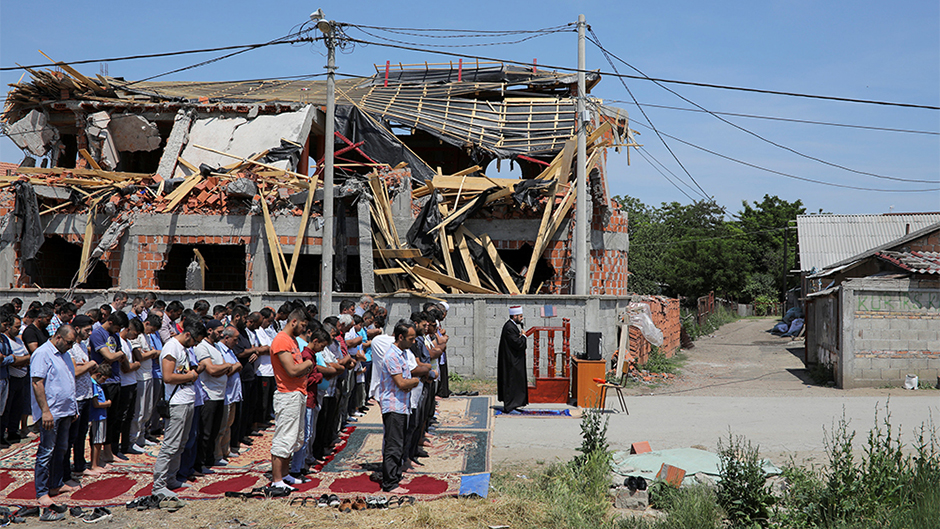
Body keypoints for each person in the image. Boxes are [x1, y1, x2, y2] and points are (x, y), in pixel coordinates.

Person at [152, 317, 205, 506]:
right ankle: (158, 485)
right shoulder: (171, 347)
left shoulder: (183, 348)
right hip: (177, 403)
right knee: (170, 445)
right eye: (196, 341)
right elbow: (167, 376)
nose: (196, 345)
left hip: (188, 400)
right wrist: (190, 376)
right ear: (188, 334)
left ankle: (171, 478)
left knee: (181, 444)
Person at [31, 325, 79, 508]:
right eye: (69, 342)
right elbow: (37, 383)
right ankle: (41, 491)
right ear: (58, 337)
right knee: (46, 452)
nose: (71, 346)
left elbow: (68, 380)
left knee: (62, 449)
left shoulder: (65, 353)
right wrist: (45, 411)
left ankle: (55, 484)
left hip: (65, 410)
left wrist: (73, 407)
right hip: (51, 412)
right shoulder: (43, 353)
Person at [268, 309, 314, 491]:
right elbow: (292, 370)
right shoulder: (281, 340)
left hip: (297, 392)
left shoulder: (292, 340)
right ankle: (277, 479)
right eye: (303, 325)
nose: (304, 329)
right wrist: (309, 364)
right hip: (287, 393)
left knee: (295, 437)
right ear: (294, 321)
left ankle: (285, 474)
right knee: (284, 437)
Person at [378, 320, 419, 493]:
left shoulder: (402, 352)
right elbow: (401, 383)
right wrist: (416, 381)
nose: (413, 342)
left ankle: (394, 474)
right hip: (393, 406)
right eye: (410, 338)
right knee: (393, 445)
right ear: (400, 337)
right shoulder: (392, 356)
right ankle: (390, 483)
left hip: (401, 405)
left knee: (399, 442)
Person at [497, 306, 528, 413]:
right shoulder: (509, 327)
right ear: (514, 316)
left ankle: (515, 404)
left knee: (516, 382)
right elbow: (518, 344)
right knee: (510, 382)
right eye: (520, 316)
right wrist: (523, 337)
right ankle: (509, 406)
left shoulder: (512, 326)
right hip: (510, 362)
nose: (522, 318)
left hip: (513, 360)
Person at [87, 363, 113, 476]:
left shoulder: (97, 384)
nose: (104, 381)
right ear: (98, 374)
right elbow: (96, 403)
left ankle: (97, 461)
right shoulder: (94, 385)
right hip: (97, 416)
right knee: (97, 441)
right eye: (103, 379)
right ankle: (94, 464)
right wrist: (107, 403)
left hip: (102, 416)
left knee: (100, 440)